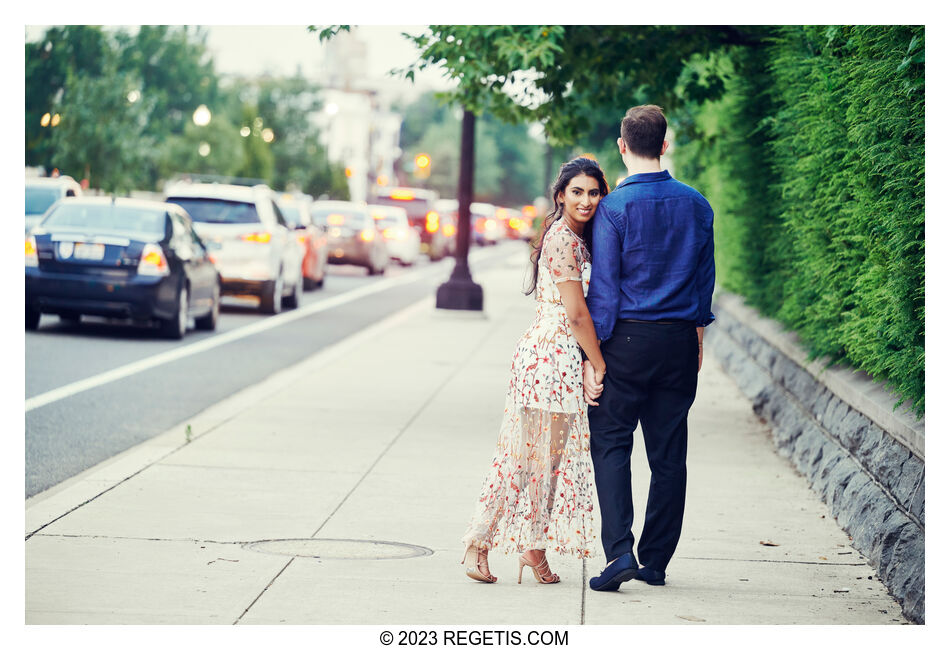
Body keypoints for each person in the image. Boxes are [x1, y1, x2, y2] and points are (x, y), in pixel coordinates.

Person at [461, 157, 610, 584]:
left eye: (594, 192)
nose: (585, 200)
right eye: (577, 192)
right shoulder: (563, 239)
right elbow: (577, 314)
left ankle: (534, 549)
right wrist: (598, 365)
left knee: (549, 463)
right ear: (560, 195)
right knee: (525, 460)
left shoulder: (580, 237)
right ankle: (477, 542)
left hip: (561, 358)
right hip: (549, 357)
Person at [584, 105, 715, 591]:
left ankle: (620, 552)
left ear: (622, 146)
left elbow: (605, 293)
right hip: (679, 340)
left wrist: (592, 360)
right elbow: (705, 282)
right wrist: (697, 333)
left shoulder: (614, 209)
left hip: (627, 341)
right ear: (665, 145)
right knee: (668, 453)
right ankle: (656, 561)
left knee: (612, 442)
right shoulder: (698, 205)